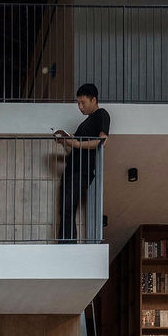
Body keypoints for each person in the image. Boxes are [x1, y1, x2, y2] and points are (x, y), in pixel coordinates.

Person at [54, 82, 110, 241]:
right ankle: (64, 242)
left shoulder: (102, 115)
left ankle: (68, 244)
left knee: (69, 207)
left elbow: (102, 141)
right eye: (78, 103)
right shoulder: (83, 124)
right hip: (71, 169)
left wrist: (77, 143)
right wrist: (66, 141)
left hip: (83, 171)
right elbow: (75, 149)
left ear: (94, 100)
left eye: (83, 103)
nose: (80, 107)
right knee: (65, 209)